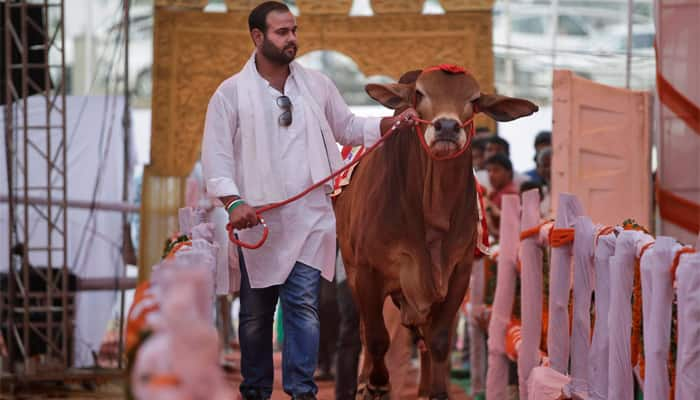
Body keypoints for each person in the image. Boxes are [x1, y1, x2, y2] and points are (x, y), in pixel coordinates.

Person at [200, 2, 418, 399]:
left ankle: (302, 392)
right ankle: (256, 391)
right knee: (254, 318)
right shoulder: (229, 93)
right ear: (257, 37)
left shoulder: (317, 85)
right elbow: (216, 157)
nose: (292, 39)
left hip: (310, 218)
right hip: (258, 223)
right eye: (282, 32)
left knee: (303, 308)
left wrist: (389, 122)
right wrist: (234, 203)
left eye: (294, 31)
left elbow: (347, 127)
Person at [483, 153, 519, 238]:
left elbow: (511, 230)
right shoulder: (493, 193)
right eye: (488, 171)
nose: (491, 174)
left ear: (509, 173)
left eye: (496, 170)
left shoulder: (511, 193)